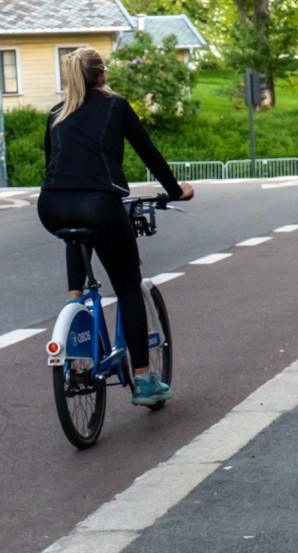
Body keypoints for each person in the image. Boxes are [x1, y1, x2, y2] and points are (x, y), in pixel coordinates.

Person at [38, 47, 194, 407]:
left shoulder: (55, 113)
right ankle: (143, 379)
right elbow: (148, 153)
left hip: (52, 206)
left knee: (74, 233)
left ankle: (73, 300)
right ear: (102, 75)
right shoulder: (116, 106)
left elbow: (53, 166)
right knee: (126, 286)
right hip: (100, 205)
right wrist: (176, 191)